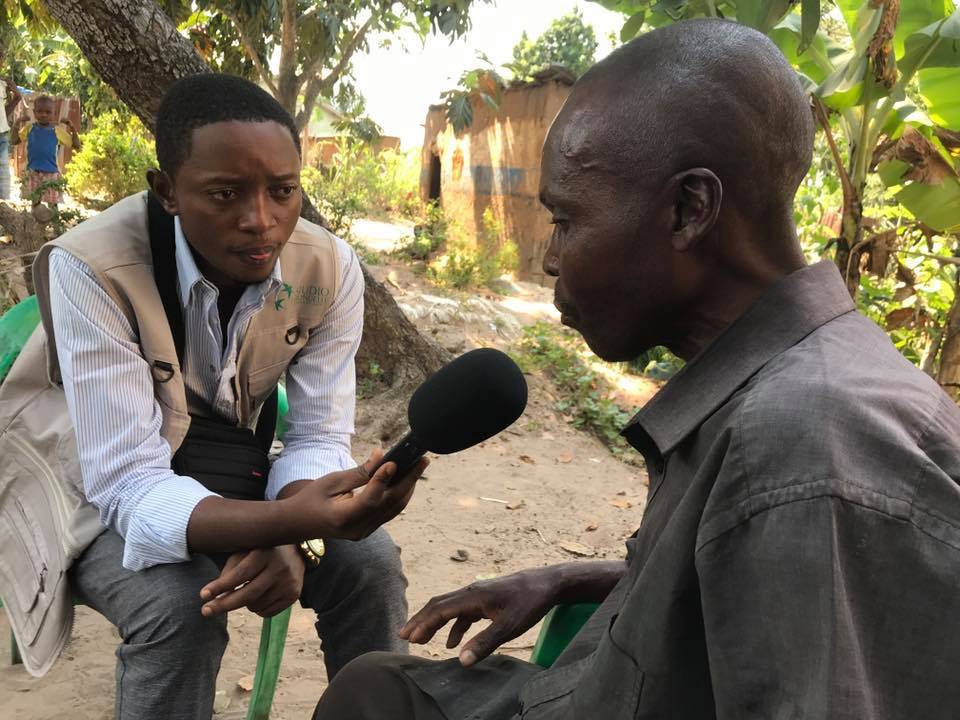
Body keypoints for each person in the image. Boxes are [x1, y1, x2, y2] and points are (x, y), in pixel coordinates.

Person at [313, 18, 960, 720]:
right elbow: (751, 582)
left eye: (567, 220)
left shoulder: (804, 445)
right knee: (377, 686)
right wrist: (570, 577)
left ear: (688, 210)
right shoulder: (781, 392)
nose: (551, 260)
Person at [0, 74, 426, 718]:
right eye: (224, 194)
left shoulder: (329, 267)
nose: (262, 221)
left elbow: (315, 438)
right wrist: (297, 521)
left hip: (227, 467)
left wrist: (295, 533)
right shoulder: (91, 266)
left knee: (368, 565)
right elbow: (128, 487)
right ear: (167, 191)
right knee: (179, 606)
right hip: (86, 483)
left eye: (283, 191)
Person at [16, 94, 80, 207]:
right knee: (35, 203)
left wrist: (72, 128)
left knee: (53, 204)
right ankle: (36, 223)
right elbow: (14, 141)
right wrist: (17, 123)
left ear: (54, 114)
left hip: (51, 173)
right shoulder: (29, 129)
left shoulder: (57, 131)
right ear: (34, 112)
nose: (43, 114)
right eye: (40, 111)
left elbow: (76, 145)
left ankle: (55, 223)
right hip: (33, 172)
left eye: (48, 112)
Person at [0, 76, 21, 199]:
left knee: (3, 174)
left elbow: (3, 113)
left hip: (1, 135)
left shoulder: (2, 84)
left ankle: (4, 207)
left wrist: (16, 99)